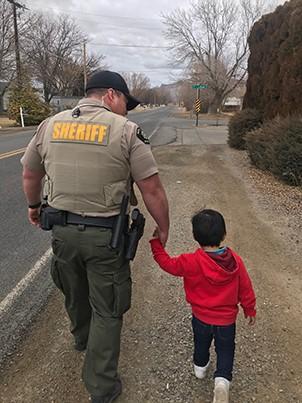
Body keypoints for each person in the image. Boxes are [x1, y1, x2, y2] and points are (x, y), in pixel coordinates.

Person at [21, 70, 169, 403]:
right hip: (106, 238)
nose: (126, 111)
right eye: (125, 104)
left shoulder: (50, 125)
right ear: (111, 96)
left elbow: (30, 172)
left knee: (73, 287)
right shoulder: (127, 131)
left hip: (61, 233)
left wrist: (33, 206)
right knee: (108, 307)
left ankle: (82, 337)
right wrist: (164, 226)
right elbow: (152, 188)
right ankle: (102, 387)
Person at [150, 209, 256, 403]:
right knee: (225, 349)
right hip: (226, 321)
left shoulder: (190, 261)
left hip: (200, 317)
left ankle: (200, 368)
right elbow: (246, 287)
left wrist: (156, 244)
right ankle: (222, 381)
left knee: (201, 343)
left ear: (195, 236)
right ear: (223, 234)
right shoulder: (236, 262)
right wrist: (249, 308)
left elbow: (167, 264)